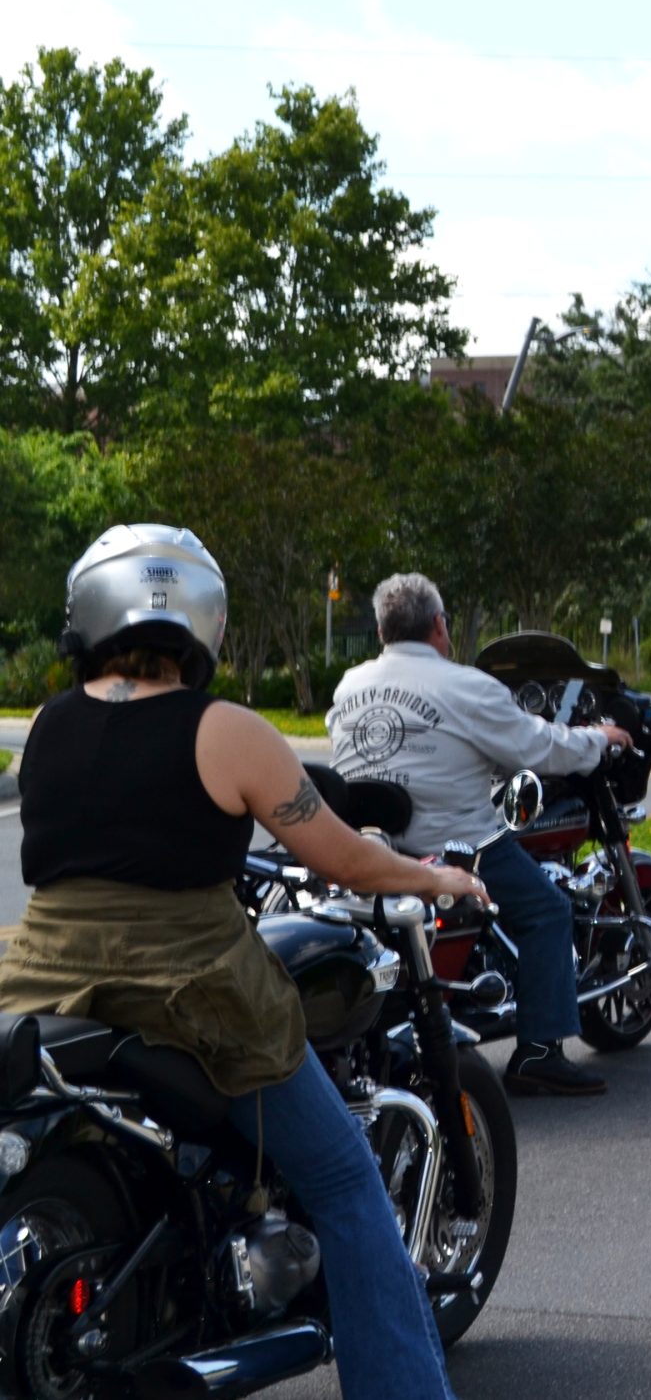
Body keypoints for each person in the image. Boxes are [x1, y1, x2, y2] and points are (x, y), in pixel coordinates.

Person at [0, 525, 486, 1400]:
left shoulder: (46, 728)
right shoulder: (222, 729)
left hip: (51, 976)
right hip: (192, 991)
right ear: (200, 617)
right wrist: (436, 872)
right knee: (344, 1179)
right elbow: (345, 859)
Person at [331, 572, 633, 1098]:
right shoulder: (466, 686)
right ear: (439, 627)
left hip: (369, 847)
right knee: (548, 910)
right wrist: (597, 739)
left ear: (381, 631)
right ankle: (539, 1052)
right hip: (456, 847)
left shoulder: (350, 684)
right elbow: (539, 747)